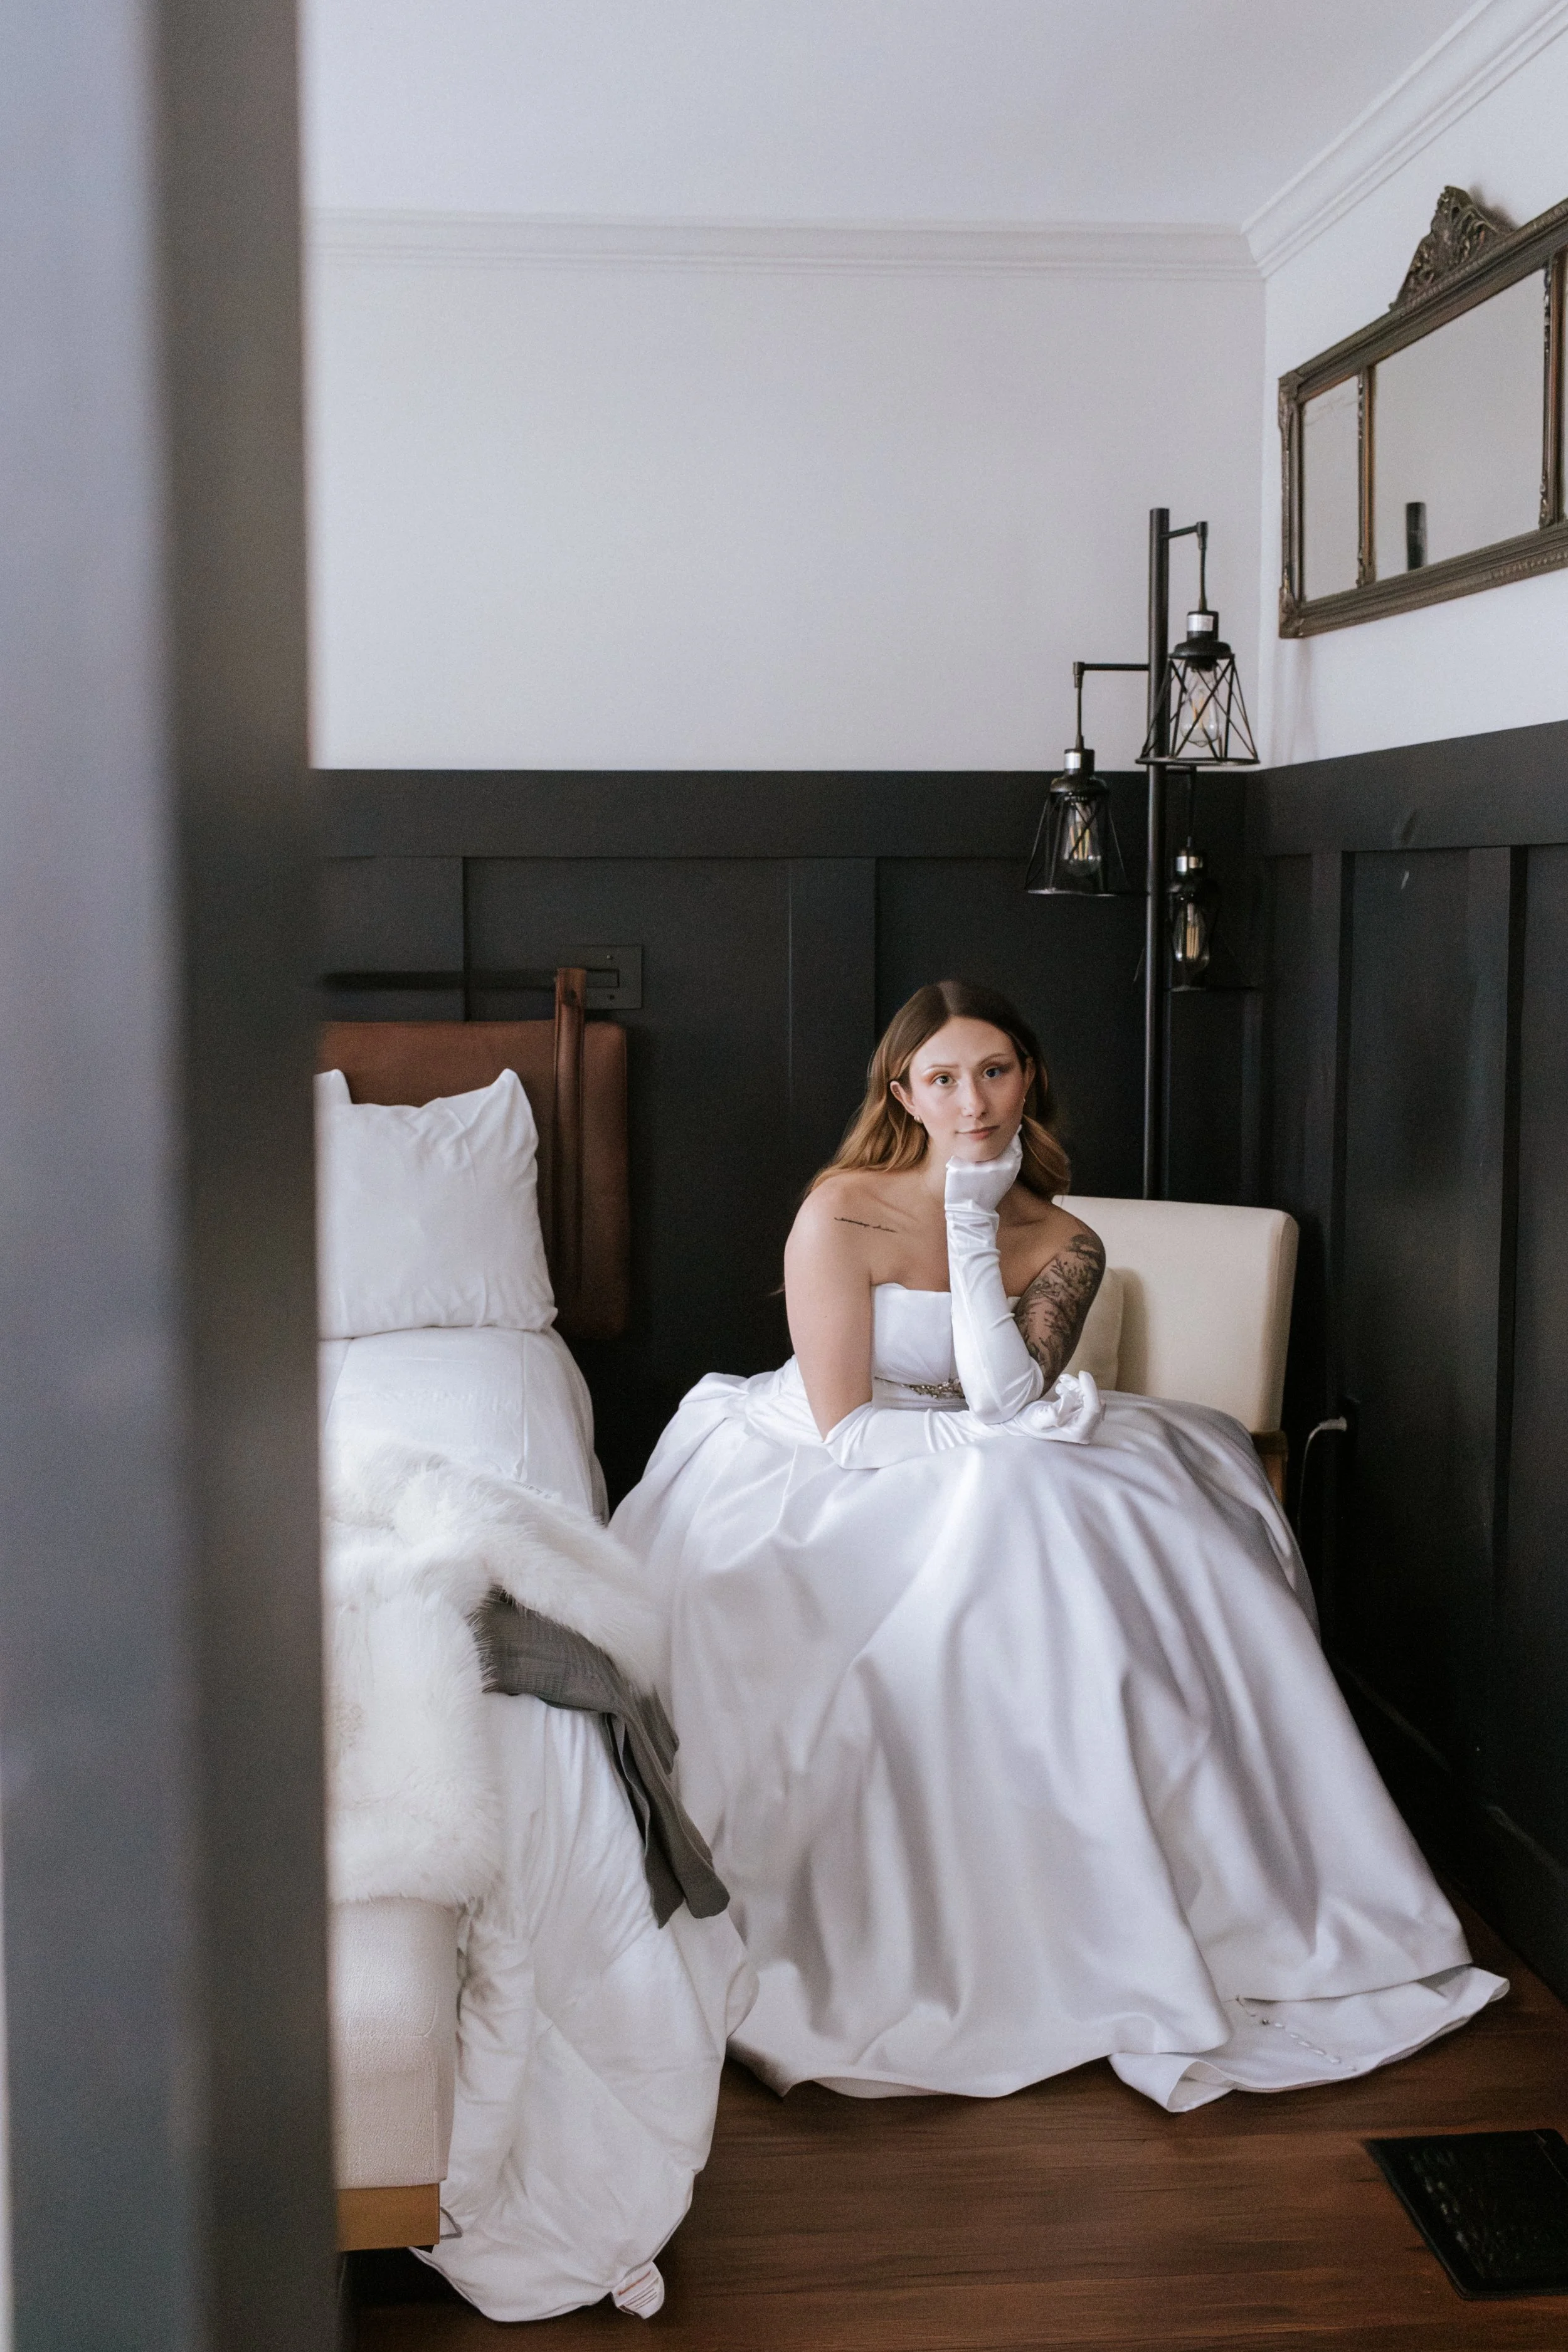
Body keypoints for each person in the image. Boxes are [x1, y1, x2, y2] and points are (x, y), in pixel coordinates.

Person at [612, 980, 1503, 2109]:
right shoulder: (839, 1210)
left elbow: (1002, 1392)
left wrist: (980, 1219)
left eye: (994, 1070)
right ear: (905, 1091)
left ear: (1029, 1077)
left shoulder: (1067, 1237)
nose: (971, 1098)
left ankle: (1190, 1882)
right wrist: (970, 1308)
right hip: (838, 1452)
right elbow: (844, 1429)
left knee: (1102, 1509)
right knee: (1016, 1490)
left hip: (995, 1434)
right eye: (942, 1077)